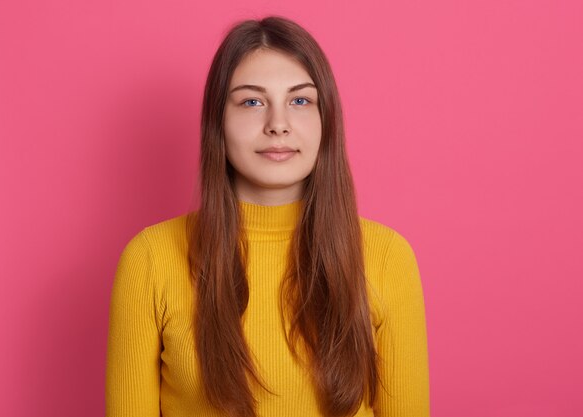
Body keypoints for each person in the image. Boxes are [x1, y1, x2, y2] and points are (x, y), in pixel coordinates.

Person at [105, 15, 430, 417]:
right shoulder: (149, 260)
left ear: (326, 121)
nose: (278, 125)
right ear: (217, 123)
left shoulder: (387, 258)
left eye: (300, 101)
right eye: (252, 102)